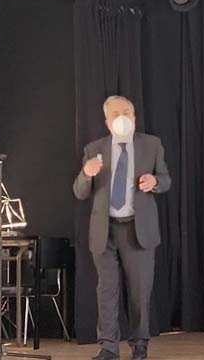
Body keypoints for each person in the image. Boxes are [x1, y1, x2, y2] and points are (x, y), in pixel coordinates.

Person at [73, 95, 171, 360]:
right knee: (106, 291)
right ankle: (108, 347)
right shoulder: (94, 149)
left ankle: (139, 344)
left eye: (126, 112)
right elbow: (80, 192)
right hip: (104, 231)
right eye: (115, 114)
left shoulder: (151, 145)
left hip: (137, 230)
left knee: (140, 291)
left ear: (134, 118)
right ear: (107, 122)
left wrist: (155, 182)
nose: (122, 117)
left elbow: (165, 179)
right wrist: (86, 173)